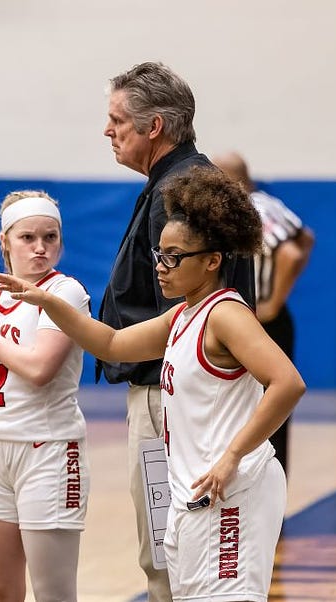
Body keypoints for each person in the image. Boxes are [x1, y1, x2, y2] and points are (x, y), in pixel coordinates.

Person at [0, 166, 305, 602]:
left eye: (175, 256)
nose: (161, 266)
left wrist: (233, 456)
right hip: (195, 490)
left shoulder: (227, 314)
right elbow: (113, 343)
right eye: (160, 253)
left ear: (212, 261)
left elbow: (288, 383)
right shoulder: (183, 314)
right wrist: (46, 301)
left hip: (234, 490)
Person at [98, 62, 255, 602]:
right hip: (177, 388)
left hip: (173, 394)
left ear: (155, 127)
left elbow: (211, 309)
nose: (108, 130)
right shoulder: (181, 182)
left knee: (171, 553)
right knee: (176, 548)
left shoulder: (180, 192)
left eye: (118, 120)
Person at [0, 191, 90, 602]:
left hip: (49, 449)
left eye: (50, 237)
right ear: (5, 240)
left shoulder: (65, 292)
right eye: (28, 238)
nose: (40, 248)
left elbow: (39, 369)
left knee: (53, 592)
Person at [214, 152, 314, 479]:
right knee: (274, 416)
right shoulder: (271, 202)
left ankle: (259, 504)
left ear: (231, 181)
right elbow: (306, 238)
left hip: (261, 320)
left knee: (260, 412)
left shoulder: (250, 210)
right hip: (266, 319)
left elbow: (290, 252)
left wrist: (270, 303)